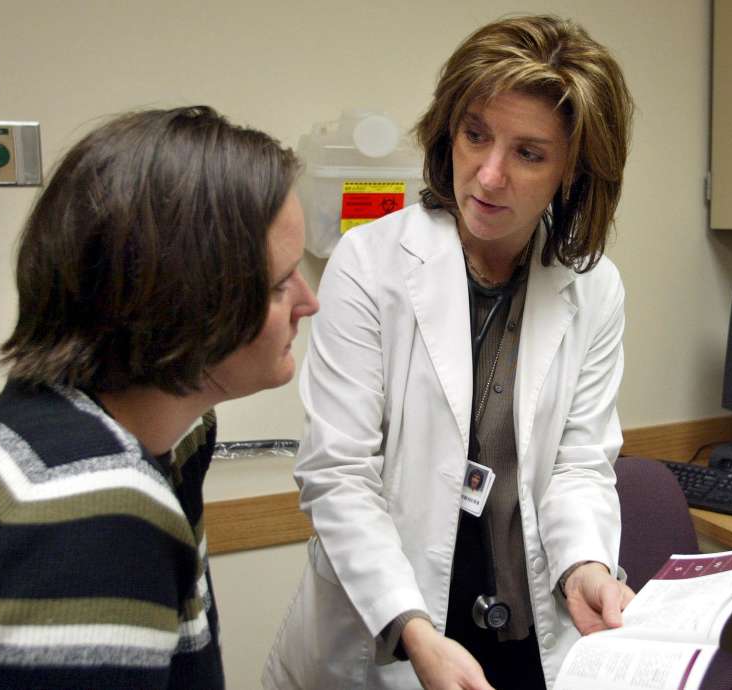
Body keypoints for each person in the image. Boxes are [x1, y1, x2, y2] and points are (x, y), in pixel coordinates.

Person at [0, 106, 318, 689]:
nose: (309, 302)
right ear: (192, 304)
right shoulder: (89, 509)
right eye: (282, 284)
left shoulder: (57, 423)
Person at [265, 15, 634, 690]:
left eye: (529, 153)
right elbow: (339, 473)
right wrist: (411, 627)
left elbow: (579, 466)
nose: (489, 175)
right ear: (448, 130)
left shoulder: (594, 289)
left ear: (573, 168)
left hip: (524, 634)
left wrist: (586, 565)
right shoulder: (369, 264)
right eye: (475, 135)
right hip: (394, 633)